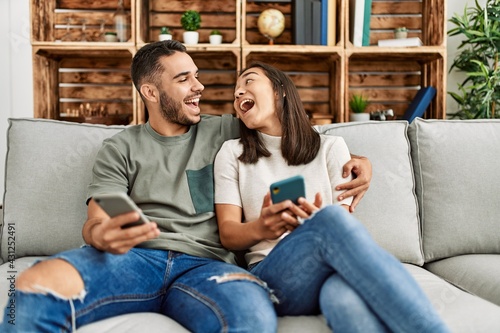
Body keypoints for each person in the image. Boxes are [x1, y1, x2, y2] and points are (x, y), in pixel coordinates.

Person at [0, 41, 372, 332]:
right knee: (33, 287)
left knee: (253, 319)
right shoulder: (120, 147)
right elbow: (96, 220)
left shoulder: (227, 130)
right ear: (150, 92)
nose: (200, 86)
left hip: (210, 267)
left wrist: (361, 160)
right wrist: (103, 235)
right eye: (184, 80)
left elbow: (292, 135)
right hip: (135, 260)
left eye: (196, 76)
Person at [214, 62, 451, 333]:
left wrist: (314, 224)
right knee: (330, 218)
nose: (238, 94)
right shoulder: (232, 153)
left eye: (249, 82)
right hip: (271, 273)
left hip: (329, 271)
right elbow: (228, 234)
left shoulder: (331, 147)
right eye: (235, 92)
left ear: (280, 91)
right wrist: (261, 227)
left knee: (344, 300)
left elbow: (345, 226)